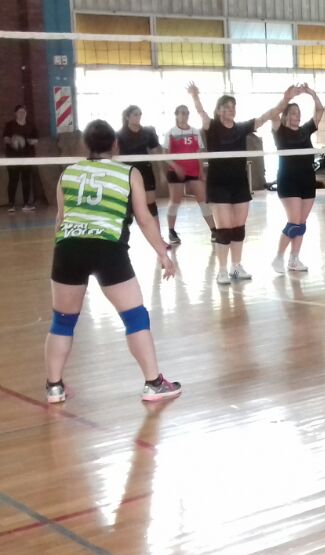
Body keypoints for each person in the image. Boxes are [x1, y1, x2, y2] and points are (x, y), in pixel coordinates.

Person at [44, 119, 182, 404]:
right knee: (135, 317)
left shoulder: (68, 173)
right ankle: (153, 384)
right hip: (107, 248)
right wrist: (163, 253)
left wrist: (63, 255)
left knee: (63, 321)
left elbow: (60, 220)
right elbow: (144, 219)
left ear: (85, 145)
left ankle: (54, 387)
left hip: (69, 247)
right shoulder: (129, 173)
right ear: (115, 144)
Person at [188, 83, 295, 285]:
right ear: (218, 111)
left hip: (239, 184)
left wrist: (286, 99)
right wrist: (195, 96)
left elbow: (267, 115)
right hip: (219, 185)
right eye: (226, 107)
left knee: (238, 228)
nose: (231, 110)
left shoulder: (241, 128)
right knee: (224, 229)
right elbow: (201, 112)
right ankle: (221, 270)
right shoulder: (212, 127)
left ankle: (236, 266)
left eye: (233, 106)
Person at [271, 84, 324, 274]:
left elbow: (320, 110)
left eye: (299, 113)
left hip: (307, 179)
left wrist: (312, 93)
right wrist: (286, 98)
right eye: (293, 113)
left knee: (301, 223)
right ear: (286, 116)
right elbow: (273, 114)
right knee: (294, 222)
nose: (297, 116)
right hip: (288, 180)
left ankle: (294, 259)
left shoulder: (305, 130)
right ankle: (278, 257)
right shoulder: (280, 131)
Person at [164, 105, 215, 245]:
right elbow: (165, 155)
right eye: (181, 113)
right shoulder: (170, 133)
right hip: (176, 172)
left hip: (193, 171)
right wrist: (176, 167)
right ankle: (171, 231)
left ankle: (214, 230)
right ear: (176, 115)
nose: (184, 116)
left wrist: (201, 172)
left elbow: (199, 153)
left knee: (203, 200)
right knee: (175, 201)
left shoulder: (195, 132)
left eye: (186, 113)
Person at [117, 106, 163, 227]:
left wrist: (163, 172)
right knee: (128, 207)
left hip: (146, 172)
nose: (138, 117)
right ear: (127, 117)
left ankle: (158, 234)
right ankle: (123, 234)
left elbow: (157, 153)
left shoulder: (147, 133)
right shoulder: (119, 135)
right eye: (135, 114)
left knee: (151, 205)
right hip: (128, 173)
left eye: (140, 114)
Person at [4, 104, 39, 212]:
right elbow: (6, 138)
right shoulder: (10, 125)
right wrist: (14, 141)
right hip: (12, 157)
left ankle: (26, 204)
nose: (22, 114)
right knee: (13, 179)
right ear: (15, 113)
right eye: (19, 112)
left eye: (24, 112)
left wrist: (30, 141)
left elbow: (36, 139)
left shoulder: (31, 125)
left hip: (28, 156)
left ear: (26, 113)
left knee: (26, 180)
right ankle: (11, 205)